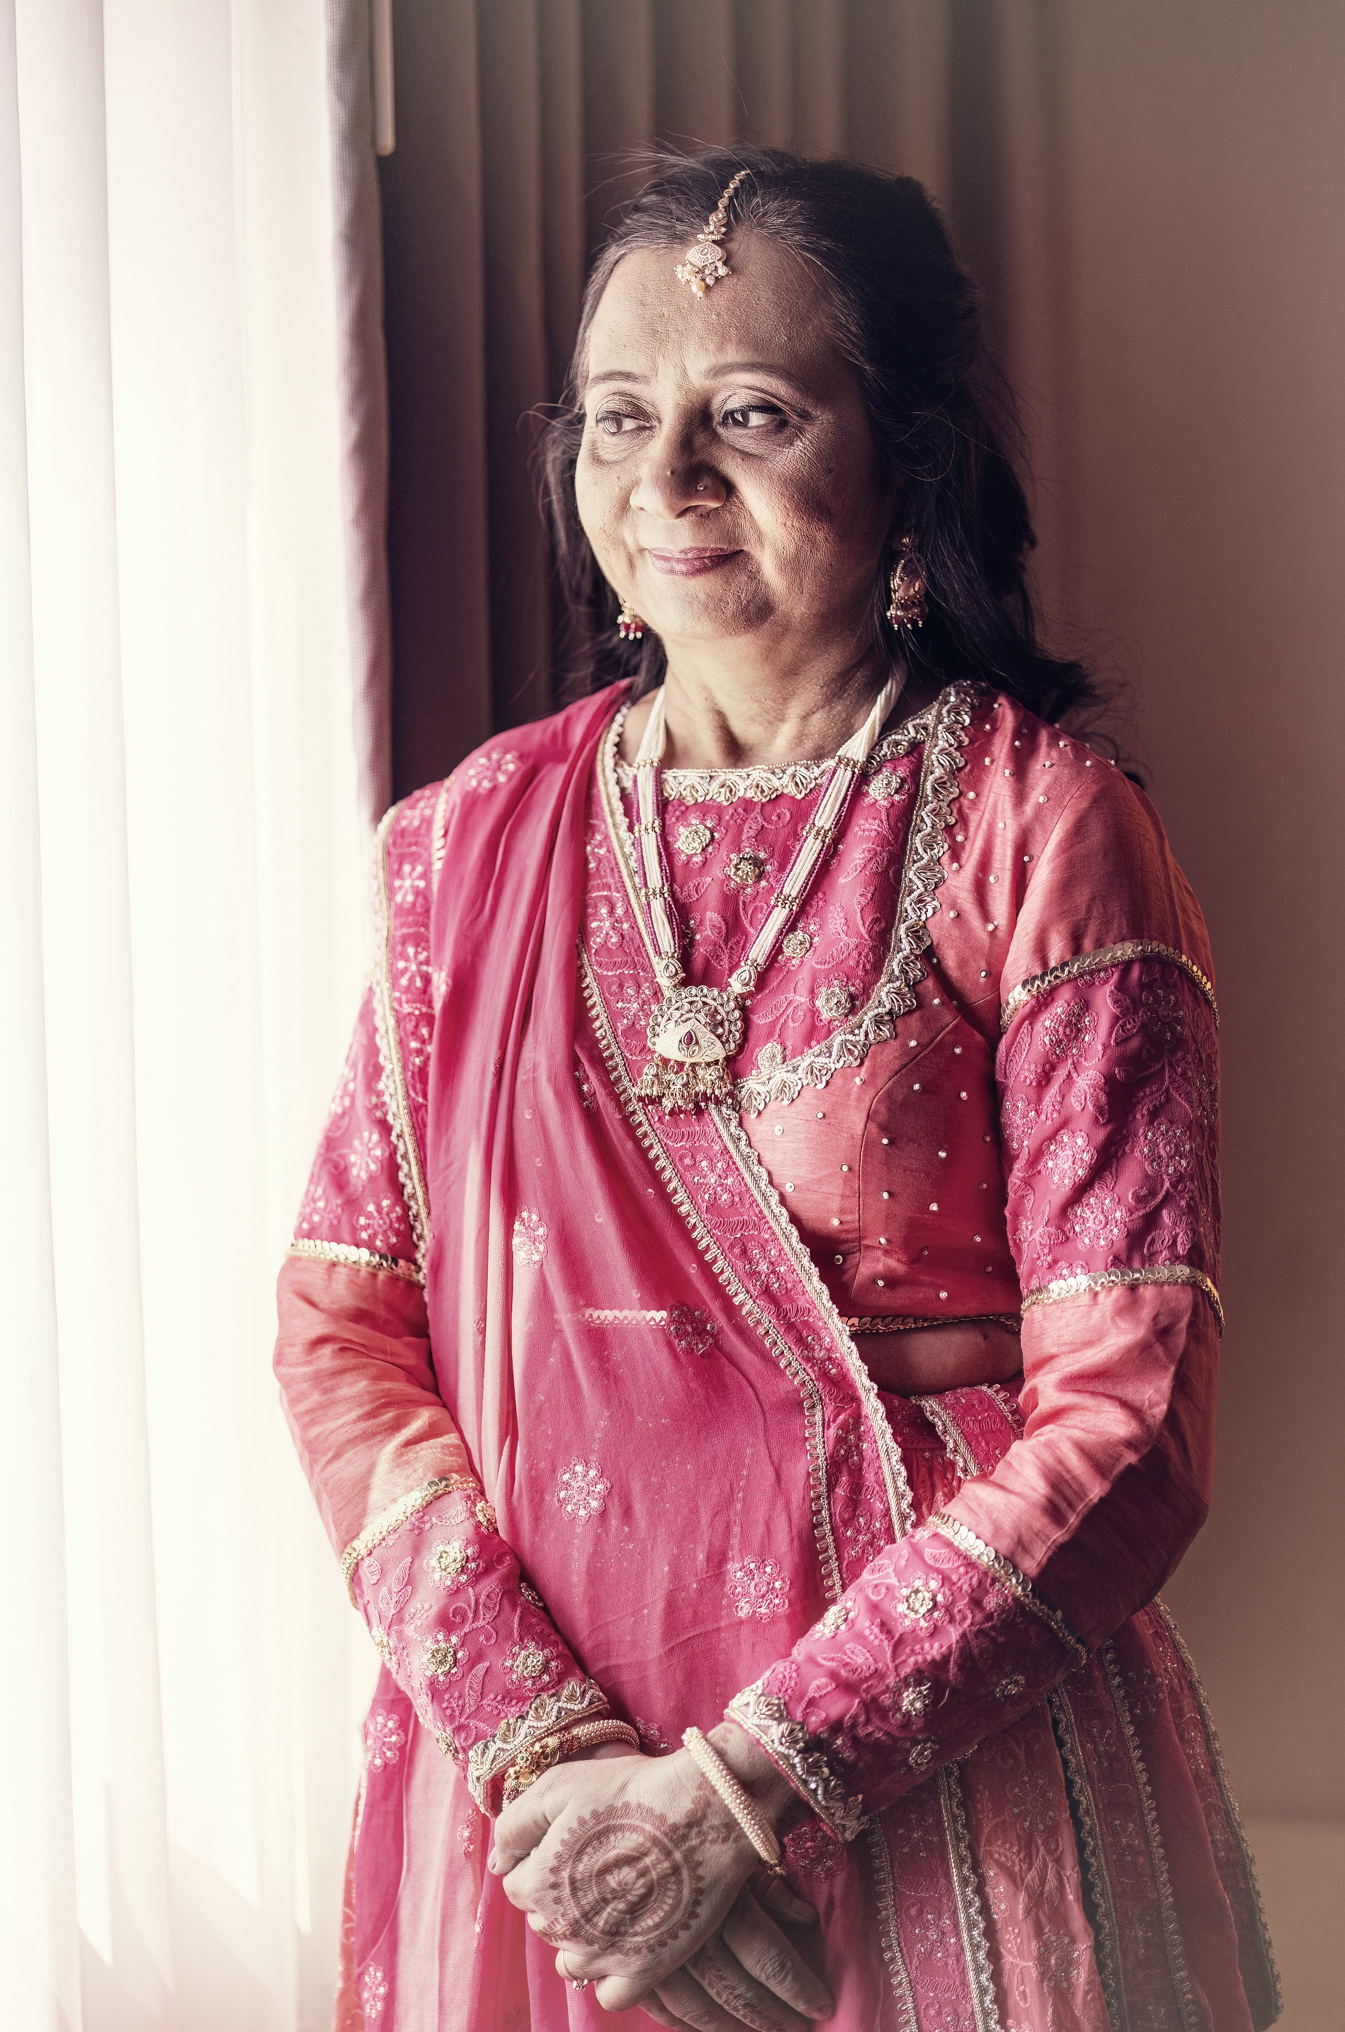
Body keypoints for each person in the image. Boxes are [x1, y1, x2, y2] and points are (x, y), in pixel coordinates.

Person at [274, 147, 1280, 2031]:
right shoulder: (467, 845)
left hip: (932, 1777)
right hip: (549, 1810)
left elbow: (1131, 1416)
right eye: (616, 415)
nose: (663, 479)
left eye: (748, 413)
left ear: (906, 456)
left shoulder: (1041, 834)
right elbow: (344, 1327)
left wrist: (743, 1796)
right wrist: (561, 1769)